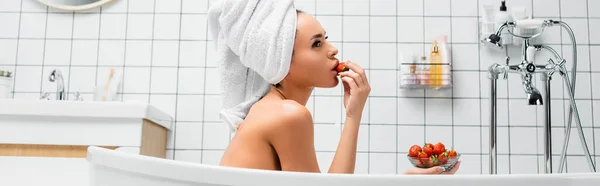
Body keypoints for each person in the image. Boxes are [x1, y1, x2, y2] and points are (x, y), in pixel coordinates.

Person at [208, 0, 460, 175]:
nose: (333, 50)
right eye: (316, 44)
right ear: (282, 63)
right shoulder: (289, 115)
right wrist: (353, 116)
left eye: (324, 38)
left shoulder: (270, 109)